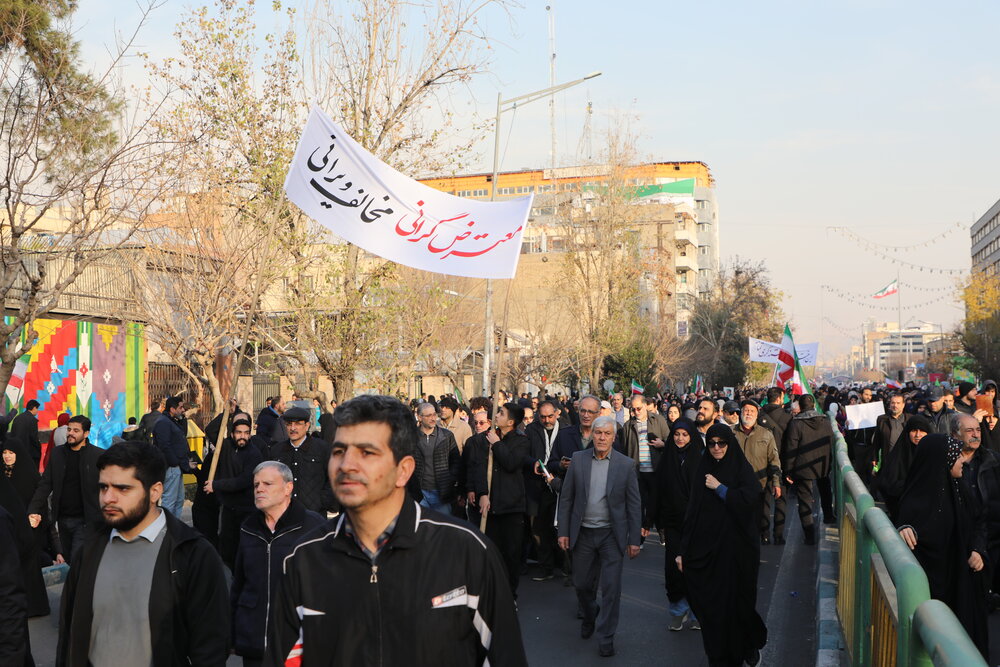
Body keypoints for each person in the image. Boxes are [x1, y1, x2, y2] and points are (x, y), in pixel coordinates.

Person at [265, 395, 526, 666]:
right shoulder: (304, 560)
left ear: (403, 470)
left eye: (367, 452)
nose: (347, 465)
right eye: (339, 451)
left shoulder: (467, 553)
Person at [57, 440, 230, 666]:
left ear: (155, 491)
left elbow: (210, 647)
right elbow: (69, 636)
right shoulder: (89, 549)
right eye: (103, 487)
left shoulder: (193, 554)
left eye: (123, 488)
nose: (108, 498)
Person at [678, 424, 767, 667]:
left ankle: (744, 646)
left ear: (730, 444)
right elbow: (692, 512)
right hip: (708, 553)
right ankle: (719, 656)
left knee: (738, 605)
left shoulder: (741, 469)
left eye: (722, 443)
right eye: (712, 443)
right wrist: (682, 551)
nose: (716, 448)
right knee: (712, 607)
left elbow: (751, 499)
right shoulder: (702, 469)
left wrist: (721, 489)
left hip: (738, 553)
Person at [896, 434, 988, 658]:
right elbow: (909, 531)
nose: (963, 462)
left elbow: (978, 522)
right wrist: (902, 529)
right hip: (936, 596)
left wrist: (978, 549)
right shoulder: (915, 501)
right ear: (942, 462)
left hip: (964, 585)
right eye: (957, 457)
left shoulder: (960, 489)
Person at [557, 415, 641, 658]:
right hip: (582, 533)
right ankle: (590, 612)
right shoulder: (578, 459)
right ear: (592, 435)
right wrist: (563, 531)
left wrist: (634, 539)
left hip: (611, 536)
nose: (602, 437)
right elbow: (567, 498)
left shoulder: (625, 465)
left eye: (607, 434)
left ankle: (606, 637)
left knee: (612, 588)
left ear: (614, 437)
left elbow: (634, 505)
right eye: (598, 433)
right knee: (581, 584)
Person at [231, 461, 325, 667]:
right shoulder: (248, 528)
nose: (259, 489)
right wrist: (233, 632)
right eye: (256, 485)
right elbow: (239, 583)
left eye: (267, 484)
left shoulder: (313, 527)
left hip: (297, 645)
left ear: (288, 488)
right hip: (254, 642)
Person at [475, 402, 531, 600]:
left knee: (511, 555)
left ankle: (509, 596)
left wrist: (497, 444)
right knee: (492, 554)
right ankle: (493, 594)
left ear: (511, 421)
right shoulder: (487, 438)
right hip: (491, 507)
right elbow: (480, 467)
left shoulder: (521, 441)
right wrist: (482, 492)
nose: (496, 415)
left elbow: (511, 463)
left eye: (501, 413)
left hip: (512, 506)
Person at [28, 416, 102, 564]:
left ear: (86, 433)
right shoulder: (57, 454)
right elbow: (45, 484)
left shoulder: (98, 456)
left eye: (76, 430)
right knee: (68, 561)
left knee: (77, 560)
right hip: (62, 520)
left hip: (85, 521)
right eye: (69, 429)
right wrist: (33, 509)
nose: (71, 433)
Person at [653, 419, 703, 631]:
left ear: (691, 436)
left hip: (697, 523)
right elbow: (658, 491)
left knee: (696, 566)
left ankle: (697, 612)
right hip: (673, 522)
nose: (680, 439)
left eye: (684, 434)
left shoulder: (701, 459)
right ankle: (677, 611)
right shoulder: (667, 458)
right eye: (676, 434)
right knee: (674, 568)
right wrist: (651, 520)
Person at [203, 417, 264, 568]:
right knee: (226, 547)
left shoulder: (254, 454)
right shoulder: (224, 447)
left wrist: (216, 485)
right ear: (232, 434)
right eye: (238, 432)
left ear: (250, 434)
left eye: (246, 433)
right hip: (228, 507)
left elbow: (243, 481)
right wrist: (227, 412)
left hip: (247, 508)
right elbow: (211, 431)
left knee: (245, 548)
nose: (242, 436)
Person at [781, 394, 835, 545]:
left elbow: (791, 449)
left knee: (805, 502)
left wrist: (788, 470)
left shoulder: (796, 424)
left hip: (802, 467)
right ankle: (829, 516)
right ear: (813, 405)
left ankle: (809, 536)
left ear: (801, 407)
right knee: (825, 490)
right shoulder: (825, 421)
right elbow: (831, 443)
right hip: (822, 465)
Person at [268, 407, 337, 515]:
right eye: (289, 424)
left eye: (298, 424)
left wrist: (323, 502)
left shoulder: (321, 448)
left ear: (307, 425)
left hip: (315, 515)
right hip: (284, 515)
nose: (293, 428)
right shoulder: (277, 450)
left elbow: (333, 478)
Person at [620, 394, 669, 543]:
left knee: (657, 504)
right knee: (637, 506)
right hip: (637, 472)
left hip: (656, 471)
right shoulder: (628, 425)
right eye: (633, 409)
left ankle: (662, 533)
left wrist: (663, 444)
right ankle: (638, 539)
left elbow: (669, 441)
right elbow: (624, 449)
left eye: (639, 408)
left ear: (645, 406)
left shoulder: (658, 420)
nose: (636, 412)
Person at [732, 400, 782, 545]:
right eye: (746, 410)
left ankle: (762, 536)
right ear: (741, 413)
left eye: (752, 411)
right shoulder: (731, 433)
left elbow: (774, 460)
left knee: (759, 516)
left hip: (760, 483)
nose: (748, 413)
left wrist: (776, 483)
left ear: (757, 414)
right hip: (737, 485)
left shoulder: (766, 434)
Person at [526, 400, 561, 581]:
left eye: (550, 416)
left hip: (559, 485)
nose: (547, 420)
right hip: (537, 486)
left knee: (558, 528)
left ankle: (565, 568)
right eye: (543, 417)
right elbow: (524, 454)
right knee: (538, 529)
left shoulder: (566, 431)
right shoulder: (531, 430)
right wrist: (531, 462)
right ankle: (546, 568)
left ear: (558, 413)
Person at [873, 415, 931, 521]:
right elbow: (888, 484)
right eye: (914, 431)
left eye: (922, 431)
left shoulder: (932, 455)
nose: (918, 435)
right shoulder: (898, 456)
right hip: (902, 513)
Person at [411, 402, 460, 514]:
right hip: (419, 492)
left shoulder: (446, 436)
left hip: (441, 491)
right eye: (428, 416)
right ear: (419, 417)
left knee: (442, 528)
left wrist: (450, 479)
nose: (433, 418)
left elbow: (456, 461)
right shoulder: (411, 437)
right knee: (420, 528)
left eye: (434, 414)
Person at [152, 396, 193, 518]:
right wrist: (175, 462)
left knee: (179, 500)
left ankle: (175, 530)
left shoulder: (172, 421)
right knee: (170, 502)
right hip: (171, 467)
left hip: (176, 467)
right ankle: (166, 531)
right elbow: (164, 445)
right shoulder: (163, 422)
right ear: (172, 409)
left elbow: (182, 435)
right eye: (180, 407)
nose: (183, 410)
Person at [873, 393, 909, 472]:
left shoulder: (910, 419)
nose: (895, 405)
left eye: (898, 403)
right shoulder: (882, 419)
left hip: (905, 461)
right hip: (888, 460)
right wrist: (874, 459)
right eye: (893, 403)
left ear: (903, 405)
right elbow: (876, 441)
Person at [10, 400, 40, 468]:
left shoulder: (17, 418)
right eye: (37, 408)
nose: (37, 411)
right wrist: (38, 447)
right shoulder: (32, 420)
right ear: (34, 408)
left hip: (16, 451)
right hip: (29, 453)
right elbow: (34, 438)